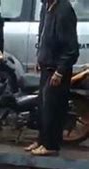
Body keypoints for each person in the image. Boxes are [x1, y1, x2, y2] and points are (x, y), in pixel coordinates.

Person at [26, 0, 79, 156]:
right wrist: (39, 57)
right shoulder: (46, 8)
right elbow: (42, 36)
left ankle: (51, 145)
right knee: (42, 106)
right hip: (46, 66)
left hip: (57, 69)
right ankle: (41, 140)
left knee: (53, 107)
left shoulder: (64, 10)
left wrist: (60, 71)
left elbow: (71, 49)